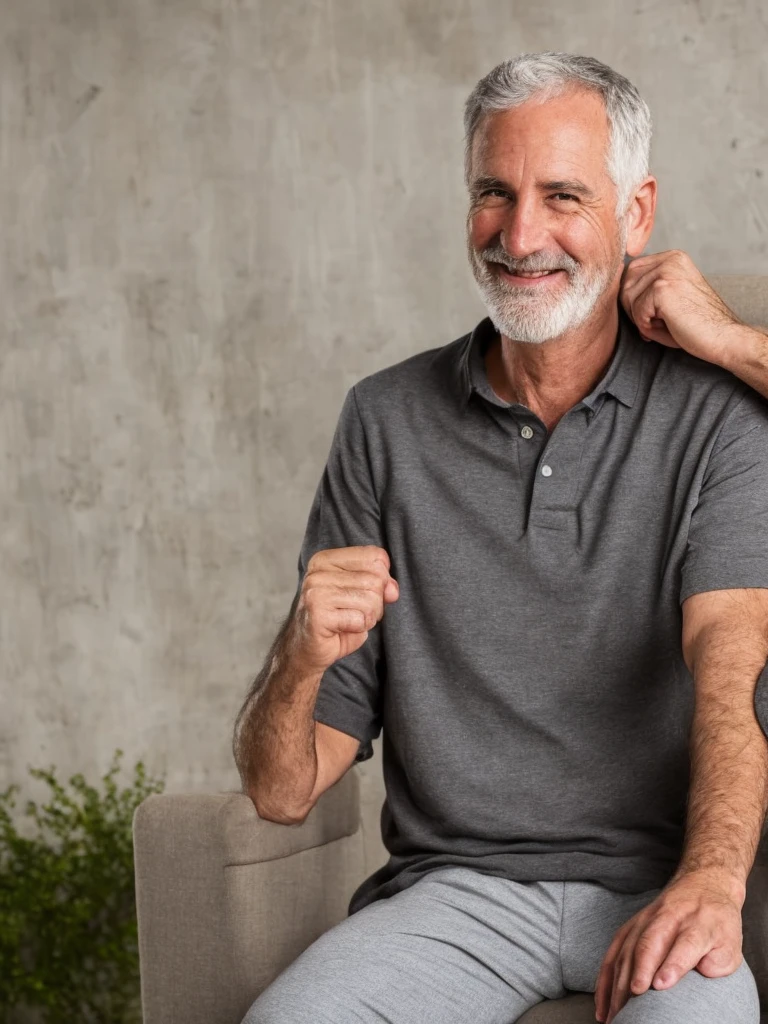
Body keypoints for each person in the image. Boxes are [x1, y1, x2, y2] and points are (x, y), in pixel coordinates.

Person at [233, 51, 768, 1024]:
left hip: (661, 892)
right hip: (453, 897)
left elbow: (730, 672)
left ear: (636, 214)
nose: (521, 234)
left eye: (563, 194)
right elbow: (281, 789)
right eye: (494, 191)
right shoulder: (384, 421)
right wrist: (298, 653)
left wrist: (712, 882)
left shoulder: (719, 417)